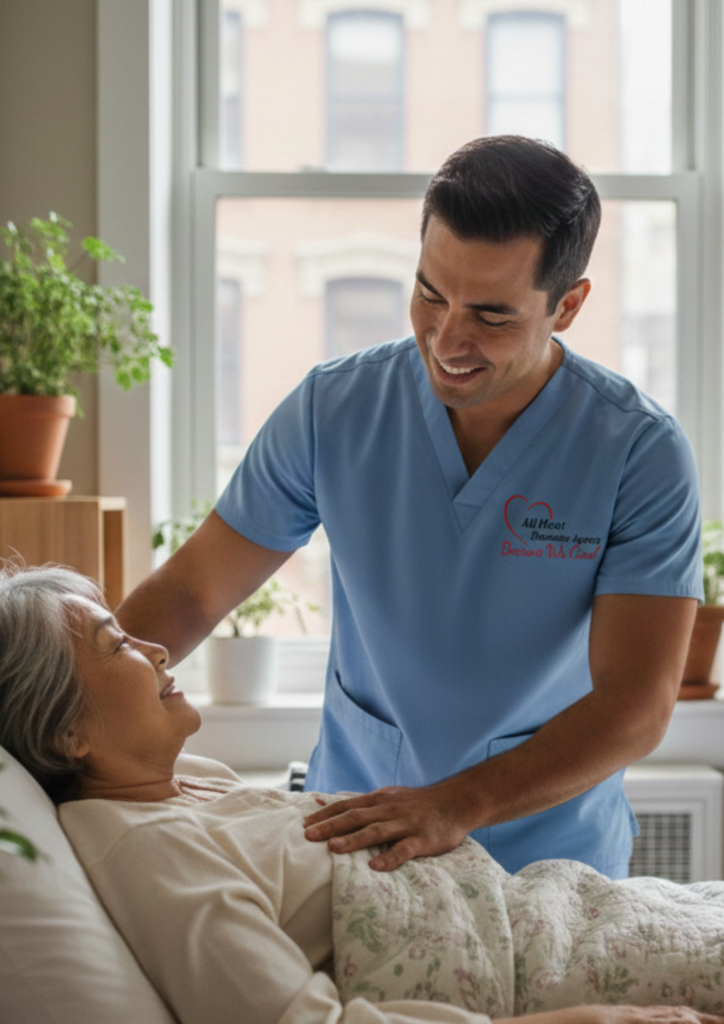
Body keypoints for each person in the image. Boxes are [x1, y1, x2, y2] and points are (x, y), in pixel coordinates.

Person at [116, 135, 703, 879]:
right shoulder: (335, 409)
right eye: (430, 293)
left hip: (551, 865)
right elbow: (193, 592)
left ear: (569, 305)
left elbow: (638, 699)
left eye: (491, 315)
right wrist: (61, 715)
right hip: (359, 842)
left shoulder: (637, 450)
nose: (447, 338)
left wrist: (455, 803)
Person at [1, 563, 723, 1024]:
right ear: (67, 734)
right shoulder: (149, 854)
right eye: (116, 644)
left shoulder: (192, 788)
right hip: (549, 975)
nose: (156, 647)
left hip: (556, 911)